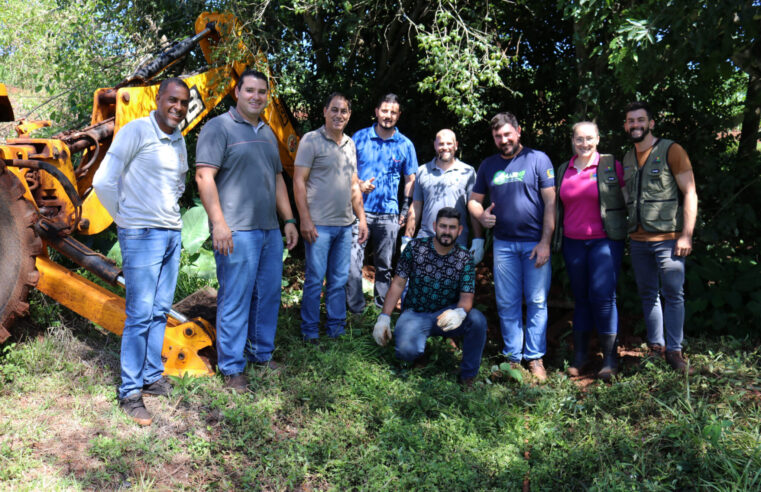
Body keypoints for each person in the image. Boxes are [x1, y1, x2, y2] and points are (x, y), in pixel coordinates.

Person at [93, 78, 190, 425]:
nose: (178, 107)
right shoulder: (136, 131)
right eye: (173, 100)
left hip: (171, 234)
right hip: (142, 234)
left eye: (183, 102)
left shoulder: (179, 138)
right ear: (159, 98)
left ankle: (151, 375)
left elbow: (179, 182)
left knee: (160, 308)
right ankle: (130, 392)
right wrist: (125, 218)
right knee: (139, 313)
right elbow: (103, 181)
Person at [195, 69, 299, 393]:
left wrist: (290, 220)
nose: (256, 96)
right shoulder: (218, 128)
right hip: (236, 231)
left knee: (267, 295)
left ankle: (261, 355)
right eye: (249, 90)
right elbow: (204, 177)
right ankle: (231, 367)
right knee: (235, 299)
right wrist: (219, 224)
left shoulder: (268, 132)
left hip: (269, 231)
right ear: (236, 92)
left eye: (262, 92)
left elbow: (278, 178)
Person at [468, 112, 556, 381]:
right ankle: (513, 358)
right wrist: (481, 215)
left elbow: (551, 203)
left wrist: (545, 242)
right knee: (507, 303)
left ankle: (535, 357)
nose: (503, 140)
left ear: (518, 131)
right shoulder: (488, 165)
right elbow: (473, 201)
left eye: (507, 134)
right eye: (498, 136)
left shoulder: (538, 159)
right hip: (504, 245)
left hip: (534, 244)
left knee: (537, 301)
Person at [622, 101, 698, 374]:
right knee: (648, 294)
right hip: (639, 240)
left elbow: (690, 192)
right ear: (626, 126)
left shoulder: (672, 150)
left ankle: (675, 351)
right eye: (631, 121)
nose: (636, 125)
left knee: (673, 294)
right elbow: (627, 196)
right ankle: (657, 347)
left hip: (669, 238)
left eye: (640, 120)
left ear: (651, 123)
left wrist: (686, 235)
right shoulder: (628, 157)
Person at [373, 207, 487, 387]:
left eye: (451, 227)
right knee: (405, 352)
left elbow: (467, 296)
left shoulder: (464, 257)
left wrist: (459, 313)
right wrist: (384, 317)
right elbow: (398, 283)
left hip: (447, 316)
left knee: (477, 320)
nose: (447, 232)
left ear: (460, 230)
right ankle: (420, 353)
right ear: (435, 226)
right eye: (443, 226)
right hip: (415, 313)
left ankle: (468, 375)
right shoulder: (415, 248)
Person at [553, 121, 627, 381]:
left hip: (605, 241)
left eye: (589, 138)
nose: (584, 144)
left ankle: (609, 358)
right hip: (573, 243)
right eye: (579, 139)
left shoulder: (610, 165)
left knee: (603, 297)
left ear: (598, 138)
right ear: (572, 141)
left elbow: (627, 198)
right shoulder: (565, 169)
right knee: (581, 298)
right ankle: (581, 356)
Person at [294, 92, 368, 343]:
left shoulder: (350, 143)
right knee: (315, 280)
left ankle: (335, 329)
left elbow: (354, 185)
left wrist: (362, 219)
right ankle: (310, 331)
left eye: (344, 111)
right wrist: (304, 219)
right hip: (319, 226)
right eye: (334, 109)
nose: (339, 115)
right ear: (325, 111)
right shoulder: (311, 140)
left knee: (338, 280)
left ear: (349, 116)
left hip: (345, 225)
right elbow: (298, 182)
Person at [346, 93, 418, 313]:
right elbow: (347, 171)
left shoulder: (405, 144)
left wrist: (405, 210)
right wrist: (359, 184)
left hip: (389, 214)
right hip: (359, 212)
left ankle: (382, 312)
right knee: (352, 265)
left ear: (399, 115)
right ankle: (356, 311)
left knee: (385, 267)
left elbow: (410, 180)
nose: (388, 116)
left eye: (393, 112)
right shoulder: (359, 138)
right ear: (376, 111)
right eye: (385, 111)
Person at [403, 129, 484, 262]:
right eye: (441, 144)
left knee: (452, 283)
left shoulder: (468, 172)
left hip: (457, 241)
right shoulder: (423, 171)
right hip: (426, 241)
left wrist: (478, 240)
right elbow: (416, 206)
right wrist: (407, 238)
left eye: (449, 143)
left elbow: (473, 208)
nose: (445, 147)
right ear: (435, 145)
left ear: (456, 145)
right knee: (421, 282)